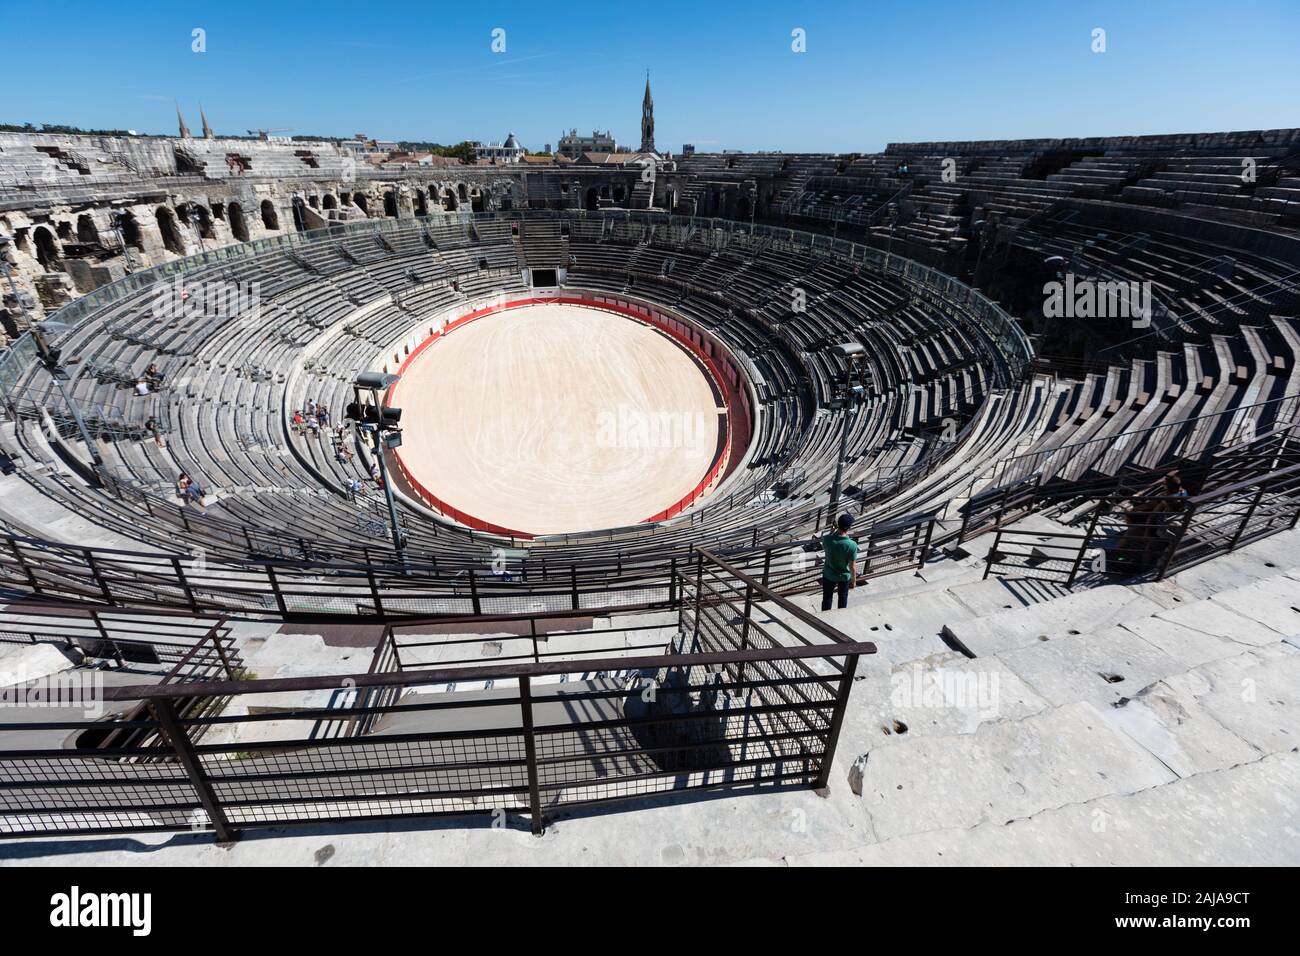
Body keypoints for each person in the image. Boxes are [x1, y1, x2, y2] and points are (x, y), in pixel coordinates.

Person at [820, 513, 860, 612]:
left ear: (838, 525)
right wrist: (854, 581)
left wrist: (832, 532)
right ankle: (841, 613)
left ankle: (825, 615)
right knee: (843, 597)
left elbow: (826, 545)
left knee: (827, 598)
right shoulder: (852, 545)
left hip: (829, 574)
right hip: (844, 576)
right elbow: (852, 566)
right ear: (849, 527)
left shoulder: (827, 539)